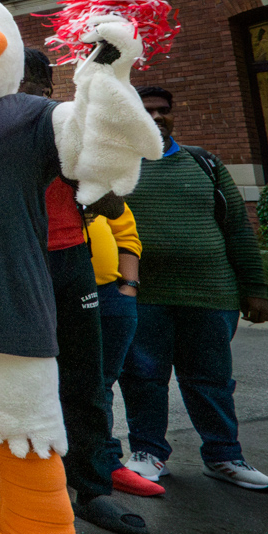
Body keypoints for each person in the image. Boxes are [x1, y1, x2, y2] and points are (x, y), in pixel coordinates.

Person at [0, 50, 148, 534]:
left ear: (48, 90)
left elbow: (109, 201)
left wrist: (86, 152)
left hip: (64, 259)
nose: (17, 95)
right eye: (8, 85)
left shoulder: (66, 128)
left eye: (27, 85)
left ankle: (93, 488)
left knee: (83, 378)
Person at [121, 86, 268, 492]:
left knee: (211, 379)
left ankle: (225, 456)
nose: (157, 118)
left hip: (211, 292)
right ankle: (147, 453)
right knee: (143, 376)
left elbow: (238, 229)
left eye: (164, 111)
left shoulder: (203, 162)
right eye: (147, 111)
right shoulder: (116, 165)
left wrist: (254, 288)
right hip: (144, 294)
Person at [85, 195, 154, 496]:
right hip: (55, 290)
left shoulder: (96, 178)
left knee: (101, 381)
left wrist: (129, 286)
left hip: (112, 293)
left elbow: (126, 233)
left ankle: (105, 463)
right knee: (58, 381)